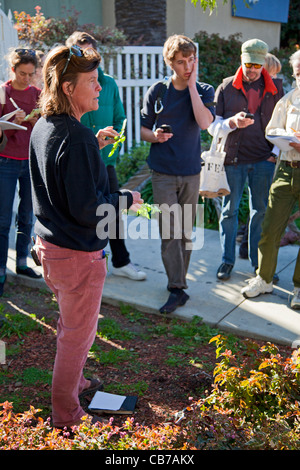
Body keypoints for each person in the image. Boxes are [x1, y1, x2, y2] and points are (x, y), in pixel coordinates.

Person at [29, 44, 143, 428]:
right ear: (66, 88)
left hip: (51, 249)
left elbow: (59, 174)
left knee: (70, 327)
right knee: (77, 336)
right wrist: (125, 198)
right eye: (92, 83)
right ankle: (66, 412)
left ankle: (76, 382)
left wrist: (91, 147)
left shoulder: (46, 126)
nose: (100, 89)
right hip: (77, 255)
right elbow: (88, 209)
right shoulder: (74, 136)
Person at [141, 34, 215, 314]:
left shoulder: (205, 90)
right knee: (170, 231)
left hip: (191, 172)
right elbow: (143, 130)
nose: (187, 66)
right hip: (162, 171)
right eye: (181, 62)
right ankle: (176, 287)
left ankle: (178, 284)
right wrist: (155, 136)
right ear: (170, 63)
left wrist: (193, 86)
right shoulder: (158, 91)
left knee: (186, 232)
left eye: (191, 60)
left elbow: (205, 122)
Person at [66, 31, 146, 281]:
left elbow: (120, 119)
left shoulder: (108, 83)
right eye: (80, 55)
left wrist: (111, 148)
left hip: (105, 161)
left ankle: (121, 261)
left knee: (112, 211)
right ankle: (86, 263)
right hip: (79, 161)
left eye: (90, 54)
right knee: (81, 212)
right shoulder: (69, 85)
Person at [208, 39, 283, 282]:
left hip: (263, 159)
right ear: (241, 60)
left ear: (263, 65)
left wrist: (274, 153)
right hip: (233, 160)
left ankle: (257, 265)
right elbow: (212, 126)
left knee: (260, 211)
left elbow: (282, 124)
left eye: (256, 65)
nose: (251, 69)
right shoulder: (226, 87)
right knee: (229, 211)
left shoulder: (274, 88)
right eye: (247, 64)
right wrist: (231, 123)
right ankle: (227, 261)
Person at [241, 50, 300, 309]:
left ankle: (299, 287)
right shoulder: (288, 100)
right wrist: (287, 136)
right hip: (287, 169)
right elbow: (272, 129)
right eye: (298, 71)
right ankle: (264, 279)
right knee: (270, 227)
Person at [0, 48, 42, 297]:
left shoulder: (37, 94)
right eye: (22, 73)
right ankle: (1, 270)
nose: (27, 79)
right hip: (5, 161)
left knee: (27, 215)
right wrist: (10, 124)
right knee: (3, 219)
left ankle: (22, 262)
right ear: (13, 70)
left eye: (31, 74)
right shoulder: (4, 93)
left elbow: (44, 128)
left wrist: (36, 122)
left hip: (30, 162)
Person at [238, 52, 282, 265]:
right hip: (252, 155)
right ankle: (247, 244)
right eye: (270, 75)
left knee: (260, 205)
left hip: (267, 156)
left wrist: (274, 154)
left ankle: (248, 245)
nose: (271, 81)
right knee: (258, 204)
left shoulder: (276, 93)